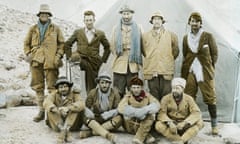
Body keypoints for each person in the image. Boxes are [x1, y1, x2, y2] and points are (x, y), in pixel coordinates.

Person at [43, 77, 117, 144]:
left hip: (72, 124)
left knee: (76, 108)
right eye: (61, 87)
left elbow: (81, 103)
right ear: (57, 89)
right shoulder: (54, 94)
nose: (63, 89)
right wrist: (57, 109)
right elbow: (46, 102)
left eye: (65, 86)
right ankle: (64, 130)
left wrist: (68, 108)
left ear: (69, 87)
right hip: (57, 124)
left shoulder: (75, 94)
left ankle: (66, 129)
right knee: (50, 109)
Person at [24, 4, 65, 122]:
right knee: (38, 87)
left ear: (49, 15)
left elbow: (62, 44)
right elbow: (26, 43)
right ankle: (41, 111)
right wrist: (28, 54)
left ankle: (52, 113)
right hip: (36, 61)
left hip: (51, 62)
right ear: (39, 15)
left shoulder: (55, 28)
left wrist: (58, 56)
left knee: (52, 87)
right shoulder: (33, 29)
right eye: (42, 13)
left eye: (46, 14)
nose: (44, 15)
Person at [181, 12, 218, 135]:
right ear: (189, 23)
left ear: (200, 23)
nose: (194, 23)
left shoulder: (208, 36)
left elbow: (215, 54)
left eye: (197, 21)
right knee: (189, 96)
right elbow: (185, 54)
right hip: (190, 70)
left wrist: (209, 67)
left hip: (204, 71)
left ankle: (214, 126)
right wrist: (189, 66)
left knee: (210, 97)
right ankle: (190, 123)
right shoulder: (186, 38)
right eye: (192, 21)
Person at [65, 10, 110, 94]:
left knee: (92, 86)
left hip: (94, 62)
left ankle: (90, 101)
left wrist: (103, 60)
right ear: (84, 21)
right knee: (76, 58)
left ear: (94, 20)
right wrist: (69, 57)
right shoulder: (78, 32)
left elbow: (107, 47)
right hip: (81, 58)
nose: (89, 23)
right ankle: (76, 87)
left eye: (90, 20)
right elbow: (67, 44)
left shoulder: (100, 33)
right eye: (87, 20)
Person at [142, 11, 179, 100]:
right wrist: (152, 58)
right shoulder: (145, 36)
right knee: (154, 93)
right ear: (152, 21)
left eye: (159, 19)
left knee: (166, 93)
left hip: (166, 69)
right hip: (152, 68)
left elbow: (176, 51)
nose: (157, 21)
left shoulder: (171, 35)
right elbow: (143, 51)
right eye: (155, 19)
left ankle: (164, 113)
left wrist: (166, 59)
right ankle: (156, 113)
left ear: (162, 21)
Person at [155, 78, 204, 144]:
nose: (174, 90)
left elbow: (196, 112)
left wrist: (185, 122)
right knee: (158, 125)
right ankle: (177, 139)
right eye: (173, 88)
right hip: (172, 126)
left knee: (200, 122)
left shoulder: (189, 98)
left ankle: (182, 140)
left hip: (185, 125)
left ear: (183, 89)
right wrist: (169, 123)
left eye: (177, 88)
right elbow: (161, 113)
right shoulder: (165, 98)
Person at [111, 5, 143, 98]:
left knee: (133, 89)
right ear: (121, 14)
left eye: (128, 14)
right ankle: (118, 109)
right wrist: (118, 54)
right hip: (120, 62)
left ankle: (132, 109)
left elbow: (142, 44)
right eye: (124, 14)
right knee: (118, 90)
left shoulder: (138, 28)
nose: (126, 16)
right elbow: (112, 45)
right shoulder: (116, 28)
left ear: (131, 14)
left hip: (133, 62)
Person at [118, 76, 160, 144]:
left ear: (142, 88)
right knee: (144, 124)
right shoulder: (127, 96)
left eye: (138, 87)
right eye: (134, 88)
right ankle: (147, 136)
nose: (136, 90)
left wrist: (144, 110)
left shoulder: (147, 95)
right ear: (130, 88)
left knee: (150, 117)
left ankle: (138, 139)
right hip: (131, 124)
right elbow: (120, 107)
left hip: (142, 123)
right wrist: (136, 112)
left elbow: (157, 105)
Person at [79, 72, 122, 139]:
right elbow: (87, 107)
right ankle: (107, 135)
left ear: (109, 84)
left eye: (106, 83)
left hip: (108, 119)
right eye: (102, 83)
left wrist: (108, 114)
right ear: (98, 83)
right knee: (84, 116)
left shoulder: (115, 93)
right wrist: (91, 114)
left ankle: (91, 133)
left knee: (119, 118)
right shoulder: (93, 92)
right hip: (95, 118)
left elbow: (118, 108)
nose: (104, 85)